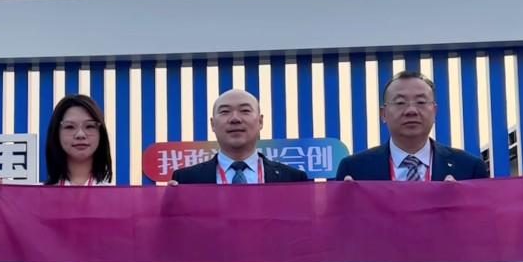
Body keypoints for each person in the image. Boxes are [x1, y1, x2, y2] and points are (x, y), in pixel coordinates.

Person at [334, 71, 489, 182]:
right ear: (383, 114)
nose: (411, 111)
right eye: (400, 102)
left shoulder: (469, 168)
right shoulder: (354, 169)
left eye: (421, 102)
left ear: (434, 111)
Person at [170, 88, 308, 184]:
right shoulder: (186, 180)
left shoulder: (293, 179)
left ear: (260, 122)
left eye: (245, 110)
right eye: (225, 112)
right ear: (212, 124)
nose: (235, 119)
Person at [0, 94, 112, 191]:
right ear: (56, 134)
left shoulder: (114, 199)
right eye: (70, 127)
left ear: (101, 133)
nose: (80, 134)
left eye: (89, 126)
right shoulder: (36, 197)